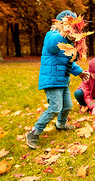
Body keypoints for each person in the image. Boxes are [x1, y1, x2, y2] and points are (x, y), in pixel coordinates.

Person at [25, 10, 90, 149]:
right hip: (51, 79)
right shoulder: (52, 36)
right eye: (69, 25)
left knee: (67, 106)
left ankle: (60, 124)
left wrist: (79, 73)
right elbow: (53, 45)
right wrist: (67, 37)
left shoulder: (68, 44)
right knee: (55, 108)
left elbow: (67, 61)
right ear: (61, 24)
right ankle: (33, 133)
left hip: (62, 81)